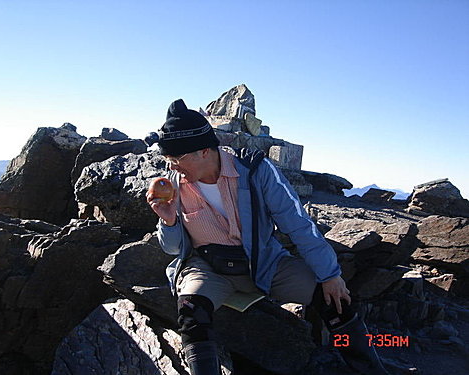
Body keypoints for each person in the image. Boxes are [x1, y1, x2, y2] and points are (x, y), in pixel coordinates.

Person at [146, 99, 389, 375]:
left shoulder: (254, 171)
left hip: (265, 264)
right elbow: (172, 248)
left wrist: (330, 274)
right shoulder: (174, 184)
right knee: (191, 314)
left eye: (177, 159)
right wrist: (169, 220)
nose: (172, 166)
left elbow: (298, 224)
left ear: (204, 151)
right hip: (208, 268)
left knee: (336, 300)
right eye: (169, 160)